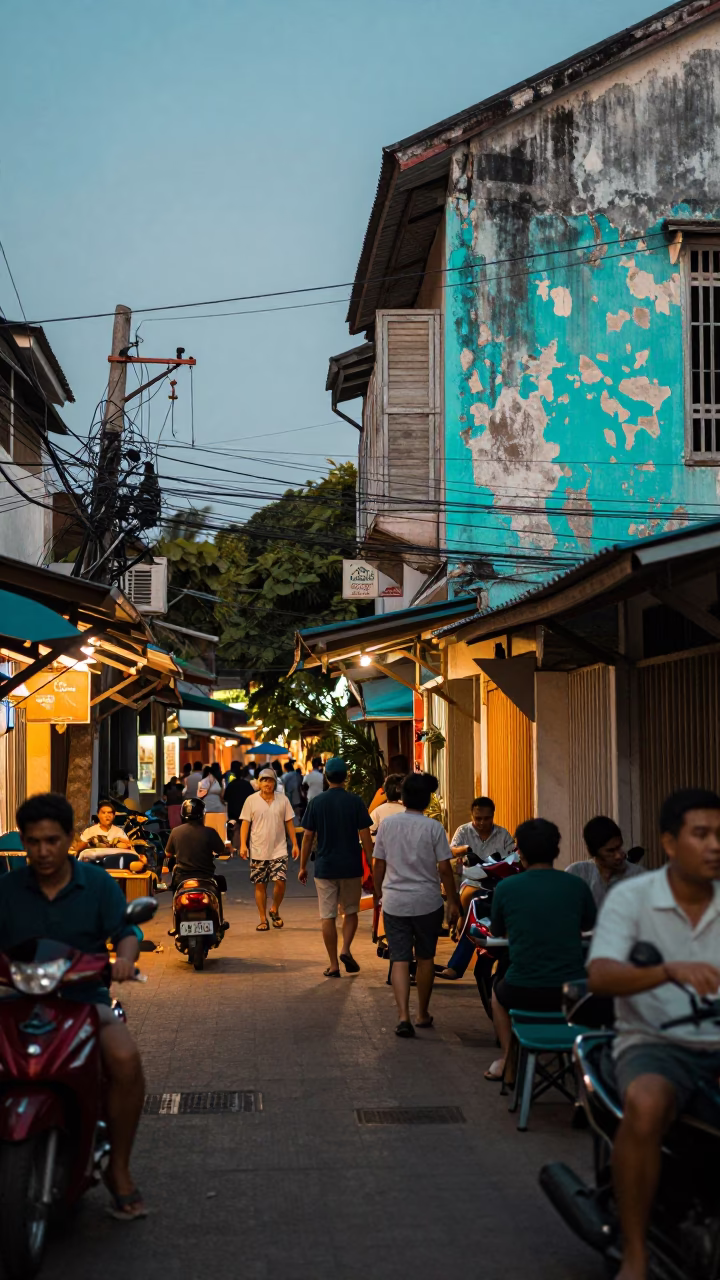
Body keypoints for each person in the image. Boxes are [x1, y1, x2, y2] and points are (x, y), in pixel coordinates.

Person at [588, 788, 720, 1280]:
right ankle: (636, 1253)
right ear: (669, 842)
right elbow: (601, 976)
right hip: (656, 1044)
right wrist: (669, 972)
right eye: (700, 834)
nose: (714, 846)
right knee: (645, 1103)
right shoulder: (634, 897)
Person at [0, 794, 147, 1218]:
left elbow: (126, 930)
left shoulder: (97, 884)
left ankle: (118, 1170)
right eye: (33, 842)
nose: (43, 851)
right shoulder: (7, 889)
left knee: (124, 1059)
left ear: (69, 839)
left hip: (84, 1001)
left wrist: (124, 959)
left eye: (51, 841)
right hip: (14, 1001)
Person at [486, 818, 596, 1081]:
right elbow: (589, 926)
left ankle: (509, 1062)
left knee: (496, 993)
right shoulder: (576, 885)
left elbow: (497, 931)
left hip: (522, 989)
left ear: (520, 853)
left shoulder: (506, 887)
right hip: (571, 992)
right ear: (556, 850)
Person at [373, 772, 462, 1036]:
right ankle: (422, 1013)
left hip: (394, 902)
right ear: (426, 800)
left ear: (402, 797)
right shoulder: (433, 827)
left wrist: (380, 893)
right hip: (427, 902)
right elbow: (445, 869)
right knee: (425, 958)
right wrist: (454, 901)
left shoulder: (388, 825)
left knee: (399, 959)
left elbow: (379, 864)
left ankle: (403, 1017)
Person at [299, 757, 373, 978]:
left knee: (328, 916)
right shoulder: (355, 801)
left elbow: (307, 836)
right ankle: (346, 949)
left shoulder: (317, 802)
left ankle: (333, 965)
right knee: (350, 911)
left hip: (325, 867)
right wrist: (371, 864)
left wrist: (302, 866)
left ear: (326, 777)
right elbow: (365, 837)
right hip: (351, 866)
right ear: (346, 777)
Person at [437, 796, 516, 980]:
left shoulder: (503, 835)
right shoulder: (463, 831)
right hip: (471, 883)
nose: (482, 823)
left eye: (486, 819)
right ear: (472, 816)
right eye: (477, 819)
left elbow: (512, 858)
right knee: (476, 912)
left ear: (493, 816)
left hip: (498, 885)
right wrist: (463, 850)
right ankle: (456, 964)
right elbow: (450, 850)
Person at [239, 768, 299, 930]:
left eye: (270, 780)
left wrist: (294, 843)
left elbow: (289, 823)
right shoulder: (251, 800)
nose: (267, 783)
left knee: (280, 881)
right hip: (258, 850)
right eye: (264, 780)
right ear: (259, 783)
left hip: (279, 849)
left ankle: (274, 908)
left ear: (275, 783)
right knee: (260, 885)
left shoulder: (283, 800)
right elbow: (245, 823)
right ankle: (263, 919)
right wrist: (243, 845)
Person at [567, 815, 645, 907]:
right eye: (610, 851)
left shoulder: (638, 875)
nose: (618, 856)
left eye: (619, 847)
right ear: (593, 852)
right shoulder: (578, 873)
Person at [165, 797, 226, 913]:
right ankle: (220, 920)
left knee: (175, 892)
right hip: (206, 876)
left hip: (182, 877)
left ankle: (175, 915)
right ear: (202, 814)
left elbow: (168, 853)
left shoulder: (175, 831)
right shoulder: (210, 832)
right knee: (218, 889)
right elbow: (221, 850)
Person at [224, 764, 255, 850]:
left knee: (236, 829)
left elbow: (225, 798)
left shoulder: (230, 785)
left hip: (233, 810)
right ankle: (246, 846)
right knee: (246, 828)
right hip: (245, 810)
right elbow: (253, 797)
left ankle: (237, 847)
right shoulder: (247, 785)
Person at [197, 763, 227, 843]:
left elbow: (199, 795)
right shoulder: (221, 781)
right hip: (220, 809)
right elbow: (222, 795)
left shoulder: (205, 780)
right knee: (221, 831)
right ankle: (221, 848)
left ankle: (210, 849)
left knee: (209, 831)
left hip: (208, 809)